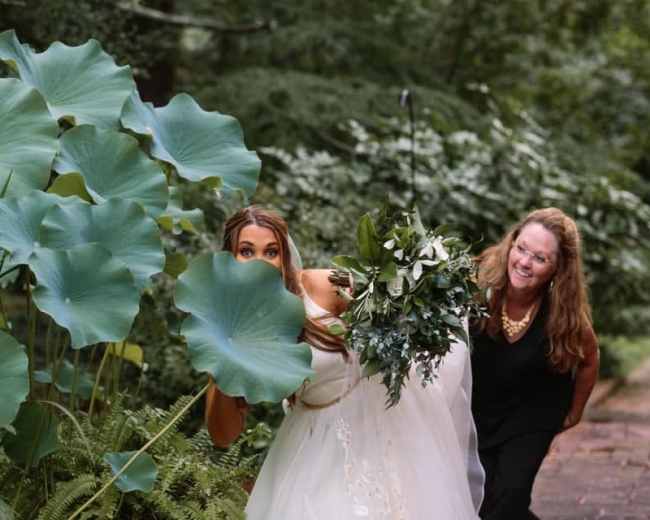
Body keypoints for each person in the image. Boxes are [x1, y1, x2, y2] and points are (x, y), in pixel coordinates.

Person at [205, 205, 485, 519]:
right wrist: (222, 364)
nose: (261, 262)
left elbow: (387, 301)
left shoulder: (320, 286)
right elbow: (223, 435)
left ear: (283, 256)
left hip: (379, 420)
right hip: (313, 440)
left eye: (271, 252)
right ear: (229, 258)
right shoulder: (234, 332)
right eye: (246, 251)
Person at [470, 207, 599, 520]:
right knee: (482, 501)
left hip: (535, 413)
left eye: (540, 258)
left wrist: (575, 412)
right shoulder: (479, 287)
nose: (524, 263)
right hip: (481, 411)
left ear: (558, 269)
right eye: (522, 248)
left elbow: (589, 359)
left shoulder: (564, 312)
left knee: (509, 498)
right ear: (511, 243)